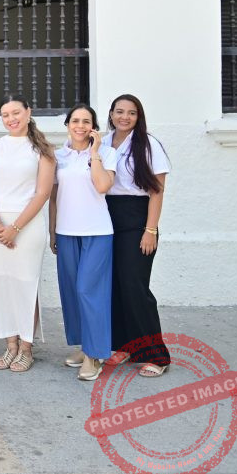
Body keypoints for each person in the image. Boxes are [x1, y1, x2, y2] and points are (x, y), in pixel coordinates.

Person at [0, 94, 54, 373]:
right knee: (0, 283)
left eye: (16, 113)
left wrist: (15, 228)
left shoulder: (42, 149)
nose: (11, 119)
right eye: (5, 115)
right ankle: (10, 345)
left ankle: (26, 347)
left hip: (27, 227)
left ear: (28, 112)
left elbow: (42, 193)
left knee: (25, 284)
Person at [102, 94, 172, 378]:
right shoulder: (103, 143)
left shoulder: (149, 144)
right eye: (119, 111)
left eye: (131, 113)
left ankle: (156, 355)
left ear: (138, 117)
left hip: (137, 220)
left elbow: (157, 191)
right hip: (107, 218)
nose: (125, 117)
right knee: (115, 285)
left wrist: (150, 230)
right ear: (111, 114)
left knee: (135, 287)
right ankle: (124, 346)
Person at [49, 104, 118, 382]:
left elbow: (102, 186)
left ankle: (94, 355)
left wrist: (95, 153)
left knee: (89, 290)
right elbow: (53, 198)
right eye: (75, 120)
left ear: (94, 127)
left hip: (97, 231)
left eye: (86, 121)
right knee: (71, 292)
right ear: (67, 124)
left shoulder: (107, 153)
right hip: (66, 231)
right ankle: (84, 345)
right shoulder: (58, 156)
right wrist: (53, 232)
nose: (80, 126)